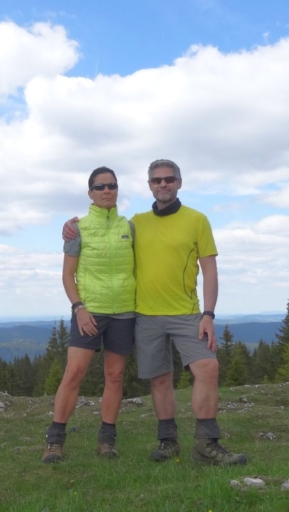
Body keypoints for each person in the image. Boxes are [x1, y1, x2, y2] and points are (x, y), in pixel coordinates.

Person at [63, 159, 246, 465]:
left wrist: (209, 314)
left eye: (169, 179)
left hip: (187, 313)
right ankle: (168, 441)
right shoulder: (134, 224)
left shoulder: (197, 220)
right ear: (149, 185)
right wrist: (71, 227)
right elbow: (105, 235)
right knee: (160, 379)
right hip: (144, 315)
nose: (163, 184)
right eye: (157, 180)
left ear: (179, 182)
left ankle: (207, 443)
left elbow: (210, 271)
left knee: (208, 368)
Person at [42, 166, 136, 464]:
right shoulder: (77, 228)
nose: (106, 190)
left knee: (115, 376)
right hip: (89, 311)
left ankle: (106, 441)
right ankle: (54, 441)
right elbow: (67, 275)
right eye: (100, 187)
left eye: (111, 185)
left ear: (117, 189)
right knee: (74, 374)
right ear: (90, 193)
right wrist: (78, 308)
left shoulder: (130, 227)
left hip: (124, 311)